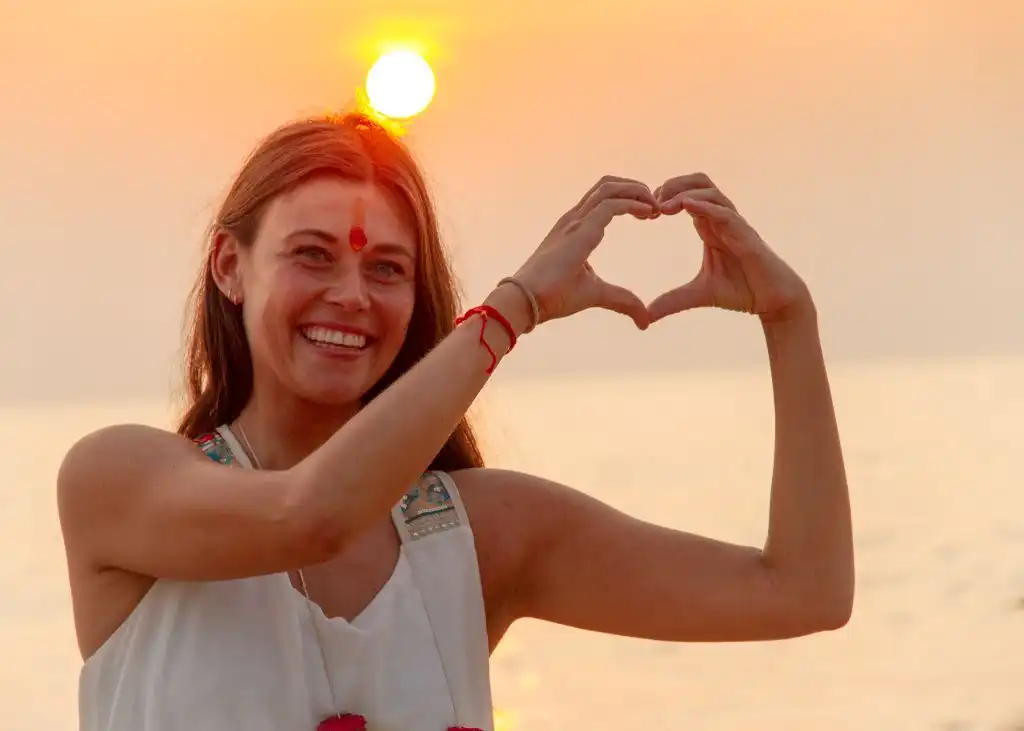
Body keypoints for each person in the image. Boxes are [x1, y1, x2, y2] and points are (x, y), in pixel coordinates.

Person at [57, 112, 854, 731]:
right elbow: (312, 514)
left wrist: (790, 319)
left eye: (387, 268)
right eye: (311, 254)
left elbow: (803, 591)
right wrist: (515, 309)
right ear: (230, 266)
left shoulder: (477, 534)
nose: (352, 295)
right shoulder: (119, 481)